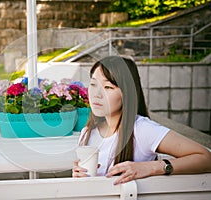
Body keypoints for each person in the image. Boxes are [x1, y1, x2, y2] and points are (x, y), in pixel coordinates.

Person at [72, 55, 211, 185]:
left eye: (108, 87)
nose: (97, 94)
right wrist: (78, 176)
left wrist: (151, 167)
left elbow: (206, 158)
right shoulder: (87, 133)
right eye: (93, 84)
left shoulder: (141, 129)